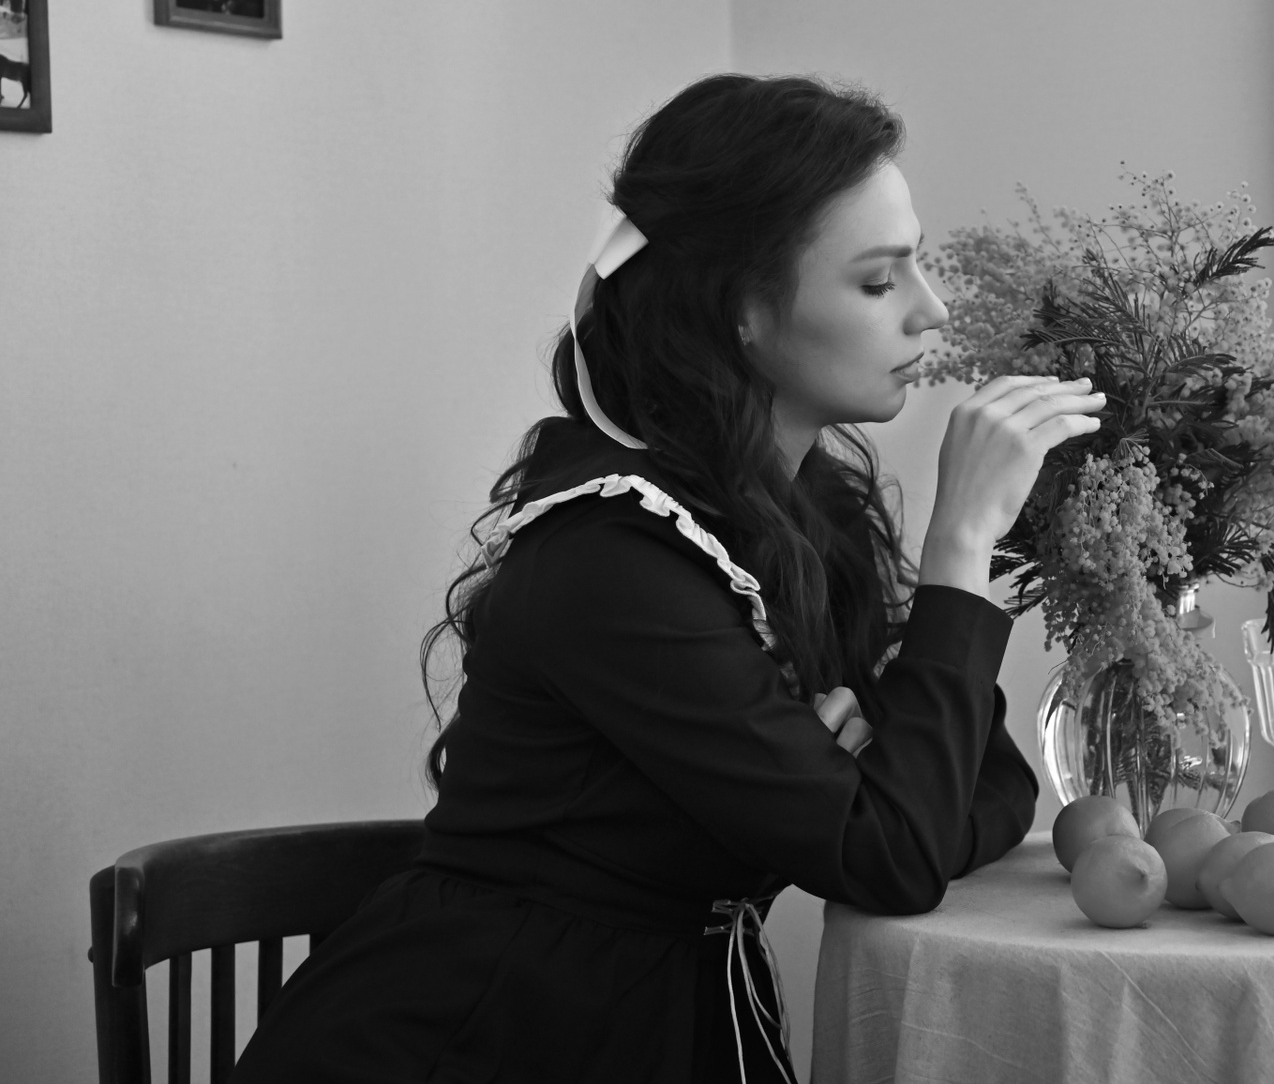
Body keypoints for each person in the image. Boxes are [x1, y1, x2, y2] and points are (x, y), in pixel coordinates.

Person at [230, 74, 1106, 1083]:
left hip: (658, 1017)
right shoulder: (615, 556)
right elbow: (898, 851)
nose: (933, 310)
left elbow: (981, 793)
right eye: (878, 282)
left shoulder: (807, 512)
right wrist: (959, 549)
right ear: (742, 311)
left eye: (918, 265)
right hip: (484, 1036)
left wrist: (881, 778)